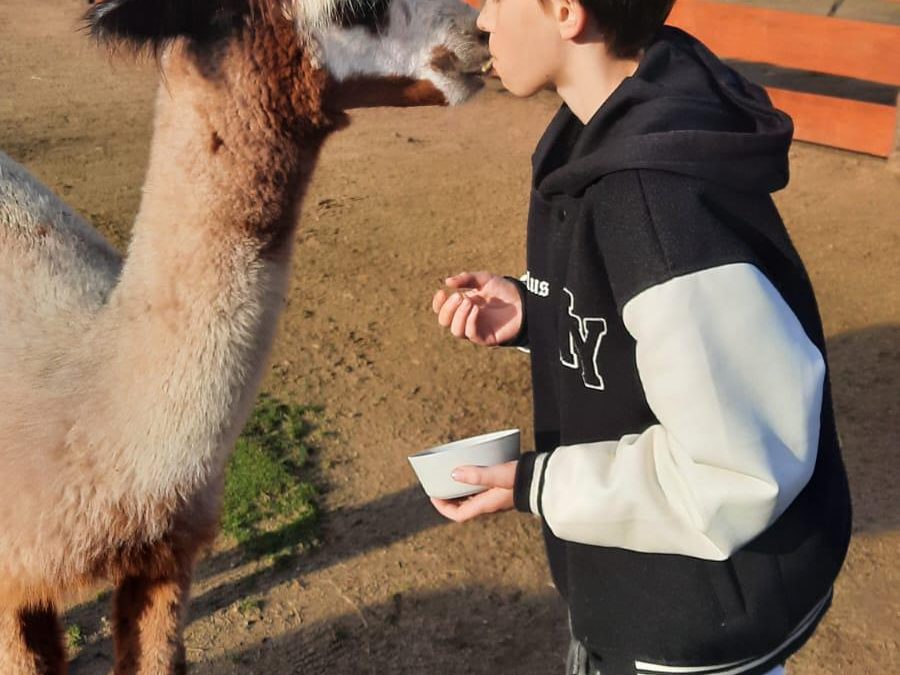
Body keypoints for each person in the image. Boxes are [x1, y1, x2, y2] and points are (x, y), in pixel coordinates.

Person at [429, 1, 852, 674]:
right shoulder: (604, 133)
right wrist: (539, 316)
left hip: (691, 624)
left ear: (566, 11)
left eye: (499, 0)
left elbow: (734, 472)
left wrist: (534, 484)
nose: (482, 21)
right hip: (653, 598)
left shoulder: (656, 201)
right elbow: (659, 336)